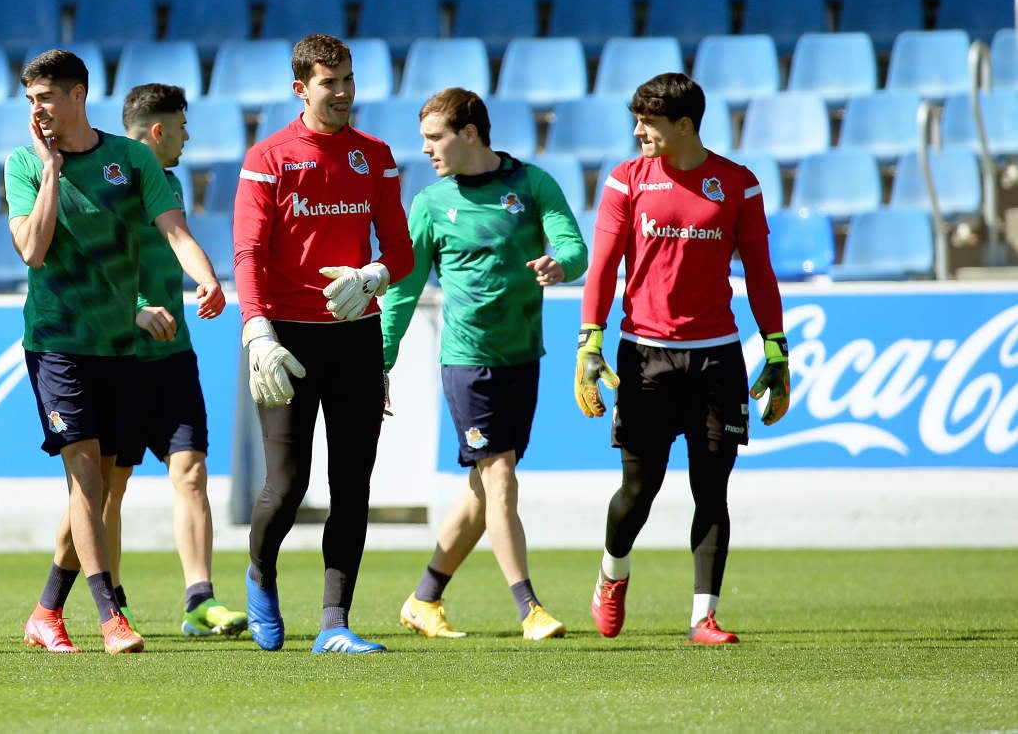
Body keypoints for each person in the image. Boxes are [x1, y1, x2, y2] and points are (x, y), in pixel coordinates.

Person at [4, 49, 225, 655]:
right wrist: (51, 170)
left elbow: (175, 231)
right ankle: (110, 617)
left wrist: (206, 279)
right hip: (56, 342)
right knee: (83, 474)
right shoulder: (23, 162)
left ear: (78, 95)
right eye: (30, 101)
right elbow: (33, 250)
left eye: (46, 97)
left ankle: (47, 609)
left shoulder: (129, 160)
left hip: (119, 348)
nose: (38, 110)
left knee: (99, 487)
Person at [575, 72, 791, 645]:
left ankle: (703, 616)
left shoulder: (738, 184)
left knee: (711, 490)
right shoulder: (626, 180)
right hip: (644, 357)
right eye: (637, 120)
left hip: (717, 358)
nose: (638, 131)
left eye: (649, 122)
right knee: (637, 492)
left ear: (685, 125)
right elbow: (601, 267)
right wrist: (590, 342)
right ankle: (612, 572)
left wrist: (776, 350)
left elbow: (761, 273)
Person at [380, 88, 586, 641]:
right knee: (500, 478)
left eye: (434, 137)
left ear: (469, 133)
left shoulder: (533, 183)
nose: (424, 150)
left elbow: (573, 244)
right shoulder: (428, 204)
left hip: (524, 356)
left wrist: (560, 264)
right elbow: (403, 290)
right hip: (468, 363)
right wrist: (380, 362)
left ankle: (424, 598)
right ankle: (530, 608)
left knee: (483, 486)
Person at [234, 34, 415, 654]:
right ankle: (260, 575)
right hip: (284, 339)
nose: (341, 93)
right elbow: (248, 253)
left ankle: (334, 623)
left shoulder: (376, 155)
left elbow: (401, 249)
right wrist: (256, 329)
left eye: (347, 80)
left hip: (356, 335)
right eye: (328, 83)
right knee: (286, 485)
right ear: (300, 89)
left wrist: (373, 276)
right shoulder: (269, 157)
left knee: (352, 484)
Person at [107, 82, 248, 637]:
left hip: (173, 353)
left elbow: (175, 241)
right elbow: (99, 263)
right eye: (183, 127)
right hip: (116, 353)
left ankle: (199, 601)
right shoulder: (108, 178)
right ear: (158, 129)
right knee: (108, 487)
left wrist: (206, 281)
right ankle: (111, 600)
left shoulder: (168, 180)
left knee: (191, 471)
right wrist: (139, 307)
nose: (189, 138)